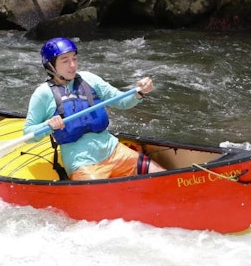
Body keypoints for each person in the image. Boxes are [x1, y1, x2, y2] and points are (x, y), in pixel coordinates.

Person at [24, 37, 165, 180]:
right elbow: (28, 133)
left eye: (74, 59)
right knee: (103, 193)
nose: (72, 65)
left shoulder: (89, 79)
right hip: (82, 163)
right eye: (65, 61)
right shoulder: (43, 94)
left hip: (113, 151)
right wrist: (48, 125)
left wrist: (139, 92)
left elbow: (122, 102)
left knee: (160, 173)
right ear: (50, 66)